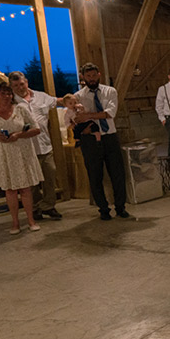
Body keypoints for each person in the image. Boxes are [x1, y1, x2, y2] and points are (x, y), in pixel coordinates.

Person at [0, 82, 44, 234]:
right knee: (10, 190)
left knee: (25, 188)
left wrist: (19, 134)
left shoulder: (21, 110)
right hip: (1, 154)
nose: (6, 97)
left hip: (21, 152)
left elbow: (36, 129)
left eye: (9, 93)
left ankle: (31, 220)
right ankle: (15, 222)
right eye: (3, 94)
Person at [75, 62, 129, 221]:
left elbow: (110, 113)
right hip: (90, 140)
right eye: (88, 76)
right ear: (83, 77)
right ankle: (103, 209)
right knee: (95, 175)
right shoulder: (78, 96)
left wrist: (89, 115)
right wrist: (84, 120)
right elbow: (77, 118)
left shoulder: (110, 91)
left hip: (110, 136)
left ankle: (121, 207)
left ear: (99, 75)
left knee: (118, 173)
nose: (91, 79)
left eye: (93, 75)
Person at [9, 71, 64, 220]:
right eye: (15, 85)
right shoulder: (11, 103)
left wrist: (73, 100)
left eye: (21, 84)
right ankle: (35, 208)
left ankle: (48, 206)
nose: (20, 87)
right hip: (26, 148)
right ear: (11, 87)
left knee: (50, 176)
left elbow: (57, 101)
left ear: (26, 82)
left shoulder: (41, 96)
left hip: (45, 145)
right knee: (32, 182)